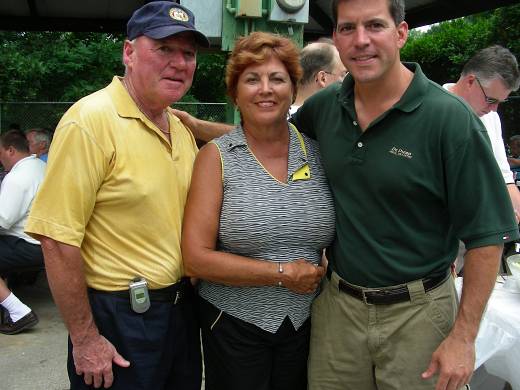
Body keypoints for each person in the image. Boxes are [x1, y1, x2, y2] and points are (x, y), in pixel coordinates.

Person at [289, 0, 519, 389]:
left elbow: (486, 236)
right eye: (348, 28)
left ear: (401, 33)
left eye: (375, 26)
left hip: (420, 314)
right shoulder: (324, 109)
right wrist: (194, 128)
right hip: (339, 312)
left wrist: (463, 337)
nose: (361, 40)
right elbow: (269, 144)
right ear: (336, 38)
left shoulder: (450, 120)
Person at [24, 2, 209, 389]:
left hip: (179, 314)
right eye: (164, 48)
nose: (179, 62)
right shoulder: (90, 120)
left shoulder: (180, 127)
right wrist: (86, 339)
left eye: (188, 53)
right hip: (120, 317)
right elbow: (56, 240)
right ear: (128, 52)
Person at [181, 31, 335, 390]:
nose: (265, 89)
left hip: (305, 324)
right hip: (233, 323)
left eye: (277, 78)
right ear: (235, 94)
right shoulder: (216, 157)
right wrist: (280, 273)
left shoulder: (318, 152)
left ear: (294, 91)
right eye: (252, 79)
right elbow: (195, 259)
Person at [444, 45, 520, 222]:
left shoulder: (491, 117)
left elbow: (504, 177)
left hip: (481, 229)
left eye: (501, 102)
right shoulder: (430, 110)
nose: (494, 108)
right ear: (470, 81)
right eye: (491, 100)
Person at [0, 130, 45, 335]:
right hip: (47, 240)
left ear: (10, 150)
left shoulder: (17, 177)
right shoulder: (40, 166)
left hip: (31, 245)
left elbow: (2, 221)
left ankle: (18, 312)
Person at [290, 38, 347, 115]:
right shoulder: (322, 121)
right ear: (322, 78)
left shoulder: (280, 118)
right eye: (343, 75)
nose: (346, 81)